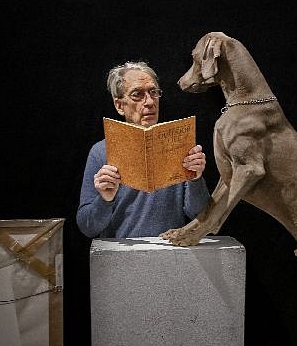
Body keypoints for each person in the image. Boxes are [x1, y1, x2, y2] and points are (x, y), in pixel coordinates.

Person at [76, 61, 210, 238]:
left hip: (170, 252)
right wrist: (105, 200)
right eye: (137, 94)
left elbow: (200, 216)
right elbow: (88, 227)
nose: (149, 102)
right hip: (120, 256)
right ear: (119, 105)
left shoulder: (179, 145)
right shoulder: (101, 151)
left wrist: (196, 179)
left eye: (153, 92)